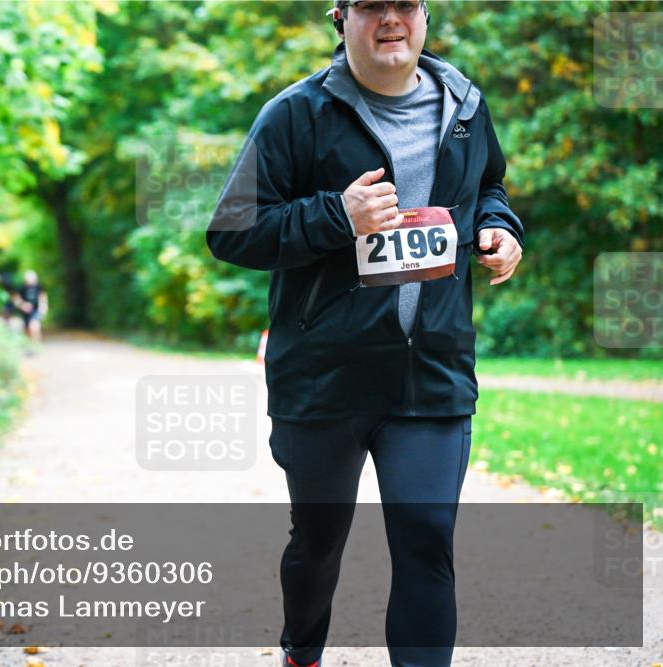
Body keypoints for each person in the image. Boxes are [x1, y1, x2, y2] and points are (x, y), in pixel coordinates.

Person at [205, 2, 523, 666]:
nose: (390, 20)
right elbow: (232, 231)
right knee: (318, 542)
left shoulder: (464, 105)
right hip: (325, 377)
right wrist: (336, 215)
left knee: (426, 538)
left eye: (404, 5)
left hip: (431, 372)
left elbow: (488, 184)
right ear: (340, 16)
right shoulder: (296, 114)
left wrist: (501, 228)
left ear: (424, 16)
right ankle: (302, 648)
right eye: (372, 5)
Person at [12, 269, 48, 342]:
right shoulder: (21, 287)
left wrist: (43, 306)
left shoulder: (39, 286)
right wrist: (23, 305)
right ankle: (30, 345)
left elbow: (43, 297)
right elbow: (16, 299)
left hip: (36, 310)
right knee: (27, 329)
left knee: (34, 325)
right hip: (26, 312)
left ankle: (36, 343)